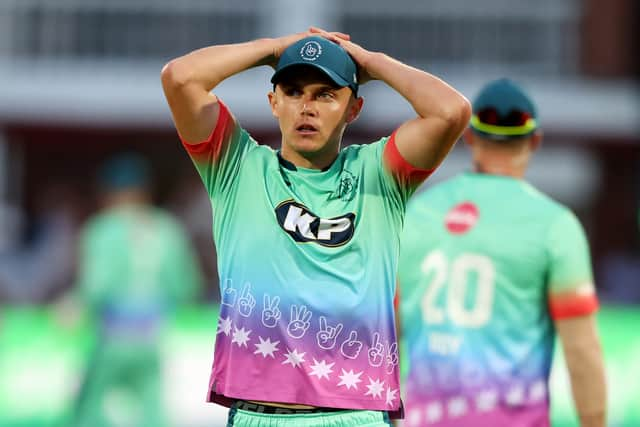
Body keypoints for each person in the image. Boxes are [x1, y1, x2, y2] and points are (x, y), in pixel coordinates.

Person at [161, 27, 470, 426]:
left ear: (353, 109)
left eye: (325, 94)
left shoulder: (378, 173)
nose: (306, 107)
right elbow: (180, 78)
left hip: (354, 416)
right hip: (258, 416)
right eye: (292, 91)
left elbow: (451, 111)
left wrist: (370, 62)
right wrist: (272, 50)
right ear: (273, 102)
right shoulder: (237, 166)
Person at [397, 78, 606, 427]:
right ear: (535, 141)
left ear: (470, 137)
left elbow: (380, 333)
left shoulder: (417, 213)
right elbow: (582, 351)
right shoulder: (554, 224)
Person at [73, 153, 203, 427]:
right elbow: (185, 287)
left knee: (89, 409)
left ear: (108, 193)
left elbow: (98, 285)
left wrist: (73, 306)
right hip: (153, 338)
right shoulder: (167, 228)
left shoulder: (103, 228)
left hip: (112, 338)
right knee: (151, 412)